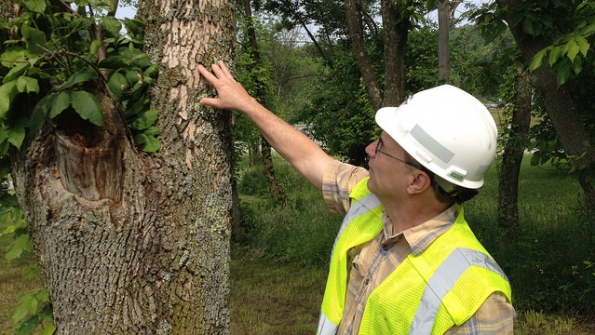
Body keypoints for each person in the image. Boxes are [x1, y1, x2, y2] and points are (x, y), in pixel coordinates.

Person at [197, 61, 514, 335]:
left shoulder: (477, 298)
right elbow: (308, 158)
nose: (369, 150)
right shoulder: (371, 199)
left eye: (382, 146)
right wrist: (247, 103)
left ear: (416, 181)